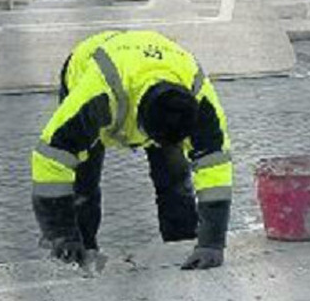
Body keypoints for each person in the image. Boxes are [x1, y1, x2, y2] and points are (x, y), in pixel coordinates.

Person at [31, 30, 232, 270]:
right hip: (92, 68)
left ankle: (181, 245)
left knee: (175, 179)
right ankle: (80, 251)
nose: (160, 147)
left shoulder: (199, 99)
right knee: (83, 182)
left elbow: (215, 166)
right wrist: (61, 234)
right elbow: (52, 158)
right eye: (157, 140)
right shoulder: (97, 97)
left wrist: (212, 243)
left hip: (153, 74)